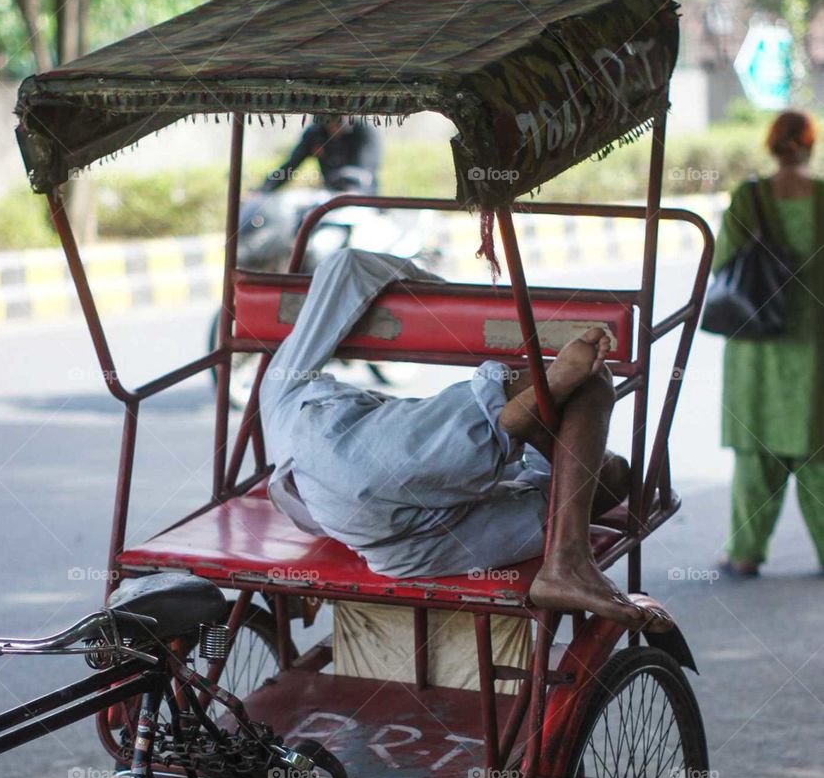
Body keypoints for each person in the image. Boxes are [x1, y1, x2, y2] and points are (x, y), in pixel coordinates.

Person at [259, 247, 671, 629]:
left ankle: (518, 423)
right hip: (361, 482)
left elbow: (347, 266)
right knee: (591, 390)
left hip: (386, 541)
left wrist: (455, 312)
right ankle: (566, 552)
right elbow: (347, 265)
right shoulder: (317, 412)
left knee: (538, 443)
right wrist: (453, 308)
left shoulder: (295, 403)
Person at [714, 110, 824, 576]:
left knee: (756, 457)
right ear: (810, 145)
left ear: (771, 146)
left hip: (757, 346)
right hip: (815, 347)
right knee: (819, 455)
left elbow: (723, 263)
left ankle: (744, 554)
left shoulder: (749, 198)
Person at [262, 115, 381, 194]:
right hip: (328, 198)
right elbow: (291, 165)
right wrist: (264, 189)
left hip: (361, 199)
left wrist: (345, 181)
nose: (333, 127)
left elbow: (365, 172)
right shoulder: (316, 133)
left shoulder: (363, 132)